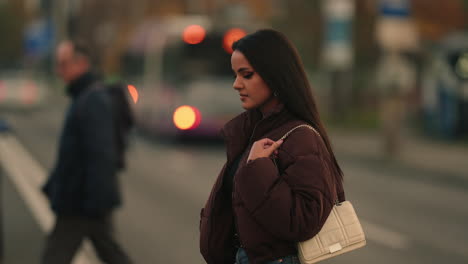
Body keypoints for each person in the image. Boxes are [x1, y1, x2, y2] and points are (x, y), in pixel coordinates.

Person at [199, 29, 345, 264]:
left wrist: (258, 167)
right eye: (235, 75)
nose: (236, 84)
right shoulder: (253, 131)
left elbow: (304, 222)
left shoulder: (300, 137)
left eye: (246, 75)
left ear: (274, 75)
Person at [41, 40, 132, 264]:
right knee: (110, 252)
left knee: (54, 257)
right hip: (82, 199)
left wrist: (96, 202)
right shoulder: (84, 96)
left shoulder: (92, 99)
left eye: (63, 64)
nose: (58, 71)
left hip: (81, 201)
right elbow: (74, 153)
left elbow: (101, 154)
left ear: (81, 64)